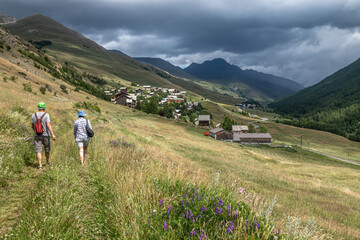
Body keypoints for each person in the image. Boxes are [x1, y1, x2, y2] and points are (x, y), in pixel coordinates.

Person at [31, 102, 56, 169]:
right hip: (46, 135)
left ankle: (40, 165)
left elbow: (32, 126)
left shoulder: (34, 115)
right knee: (47, 149)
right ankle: (47, 162)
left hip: (37, 135)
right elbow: (48, 125)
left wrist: (36, 131)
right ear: (44, 108)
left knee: (38, 150)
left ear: (38, 108)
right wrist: (52, 134)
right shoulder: (46, 115)